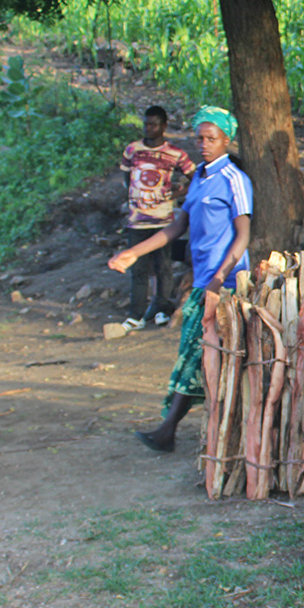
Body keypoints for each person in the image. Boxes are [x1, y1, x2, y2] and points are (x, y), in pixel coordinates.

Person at [108, 106, 251, 453]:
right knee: (201, 356)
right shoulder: (201, 175)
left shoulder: (234, 178)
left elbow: (243, 235)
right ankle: (175, 431)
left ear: (226, 140)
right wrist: (134, 253)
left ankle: (168, 431)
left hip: (225, 283)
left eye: (211, 139)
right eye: (200, 138)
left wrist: (219, 280)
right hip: (205, 279)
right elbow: (176, 227)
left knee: (195, 354)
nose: (203, 144)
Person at [118, 105, 195, 331]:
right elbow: (126, 179)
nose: (148, 128)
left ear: (163, 126)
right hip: (137, 220)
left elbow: (195, 176)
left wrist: (177, 192)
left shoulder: (175, 154)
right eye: (146, 124)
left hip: (163, 220)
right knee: (138, 268)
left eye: (153, 125)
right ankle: (136, 315)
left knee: (163, 266)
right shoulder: (132, 150)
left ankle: (161, 309)